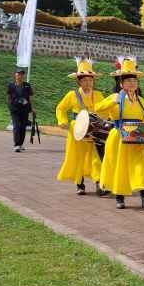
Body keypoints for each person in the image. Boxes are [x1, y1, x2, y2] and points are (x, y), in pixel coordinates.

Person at [94, 56, 144, 210]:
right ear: (121, 83)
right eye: (128, 80)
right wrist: (113, 101)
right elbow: (98, 109)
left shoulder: (140, 101)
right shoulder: (115, 97)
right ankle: (120, 197)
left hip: (137, 138)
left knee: (143, 166)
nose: (132, 83)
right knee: (121, 168)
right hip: (120, 137)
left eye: (134, 80)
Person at [55, 57, 105, 195]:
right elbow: (60, 108)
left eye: (90, 80)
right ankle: (79, 183)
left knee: (96, 156)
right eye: (84, 80)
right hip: (77, 129)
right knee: (78, 156)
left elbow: (105, 109)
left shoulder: (98, 95)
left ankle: (99, 183)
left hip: (94, 129)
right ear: (79, 81)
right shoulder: (72, 95)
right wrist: (62, 121)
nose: (88, 83)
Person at [6, 69, 33, 152]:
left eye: (21, 74)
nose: (20, 76)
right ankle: (16, 145)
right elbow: (8, 97)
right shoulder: (11, 85)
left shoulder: (27, 85)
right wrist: (10, 106)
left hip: (25, 109)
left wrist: (31, 108)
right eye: (18, 74)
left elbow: (30, 98)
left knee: (23, 127)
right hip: (15, 110)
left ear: (23, 76)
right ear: (15, 75)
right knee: (17, 126)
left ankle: (20, 144)